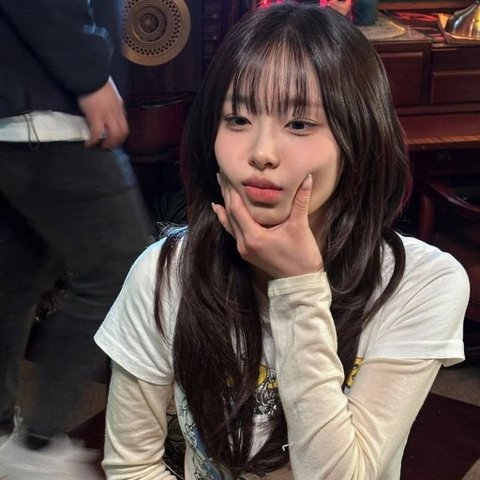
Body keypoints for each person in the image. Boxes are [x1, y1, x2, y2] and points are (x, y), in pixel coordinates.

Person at [94, 3, 470, 479]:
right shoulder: (164, 272)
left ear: (357, 136)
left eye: (299, 124)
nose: (261, 153)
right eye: (237, 119)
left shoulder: (421, 283)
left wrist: (299, 287)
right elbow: (132, 465)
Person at [0, 1, 152, 479]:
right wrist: (90, 76)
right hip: (48, 112)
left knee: (16, 279)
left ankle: (5, 439)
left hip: (22, 111)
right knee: (123, 268)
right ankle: (36, 447)